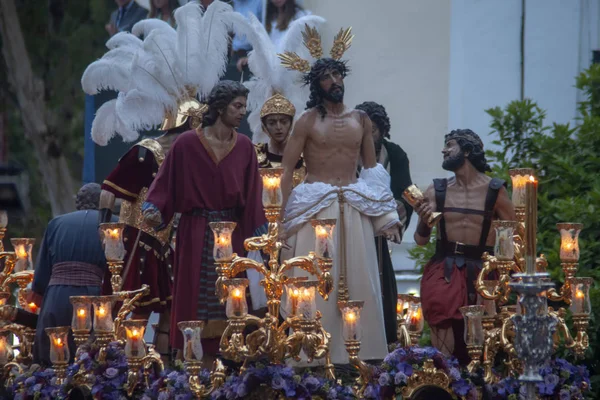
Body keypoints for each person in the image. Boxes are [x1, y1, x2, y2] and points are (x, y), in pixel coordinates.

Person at [278, 28, 402, 365]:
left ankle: (362, 354)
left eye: (337, 74)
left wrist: (386, 216)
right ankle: (308, 354)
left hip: (353, 205)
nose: (334, 81)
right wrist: (282, 218)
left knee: (360, 278)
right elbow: (287, 170)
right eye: (327, 77)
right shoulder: (305, 121)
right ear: (316, 86)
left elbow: (372, 169)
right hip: (315, 206)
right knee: (313, 279)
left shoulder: (360, 119)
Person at [142, 81, 266, 362]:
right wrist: (155, 209)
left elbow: (252, 195)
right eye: (237, 106)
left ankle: (232, 357)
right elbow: (166, 184)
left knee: (233, 295)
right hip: (195, 231)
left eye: (244, 107)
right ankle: (193, 357)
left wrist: (261, 234)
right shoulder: (186, 144)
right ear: (220, 107)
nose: (242, 113)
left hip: (231, 233)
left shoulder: (245, 146)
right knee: (193, 293)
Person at [98, 99, 206, 361]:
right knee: (131, 306)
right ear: (191, 124)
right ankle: (118, 364)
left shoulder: (185, 160)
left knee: (170, 308)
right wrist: (104, 233)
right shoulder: (144, 153)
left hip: (163, 245)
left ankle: (165, 368)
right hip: (134, 241)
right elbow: (108, 191)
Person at [414, 129, 515, 363]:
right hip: (445, 268)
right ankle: (448, 377)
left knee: (485, 328)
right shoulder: (436, 189)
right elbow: (420, 240)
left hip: (484, 269)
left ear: (467, 151)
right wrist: (422, 217)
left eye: (450, 145)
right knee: (439, 308)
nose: (444, 150)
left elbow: (515, 234)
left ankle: (480, 380)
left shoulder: (495, 190)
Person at [29, 184, 115, 365]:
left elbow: (42, 272)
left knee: (53, 357)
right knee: (91, 359)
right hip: (94, 298)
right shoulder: (113, 224)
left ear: (78, 202)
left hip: (56, 297)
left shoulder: (56, 223)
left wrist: (37, 293)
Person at [355, 101, 413, 345]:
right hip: (355, 227)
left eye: (374, 131)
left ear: (383, 130)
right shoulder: (347, 152)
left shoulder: (395, 153)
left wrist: (400, 206)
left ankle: (383, 340)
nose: (368, 136)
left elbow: (405, 189)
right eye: (364, 131)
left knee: (382, 284)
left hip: (381, 231)